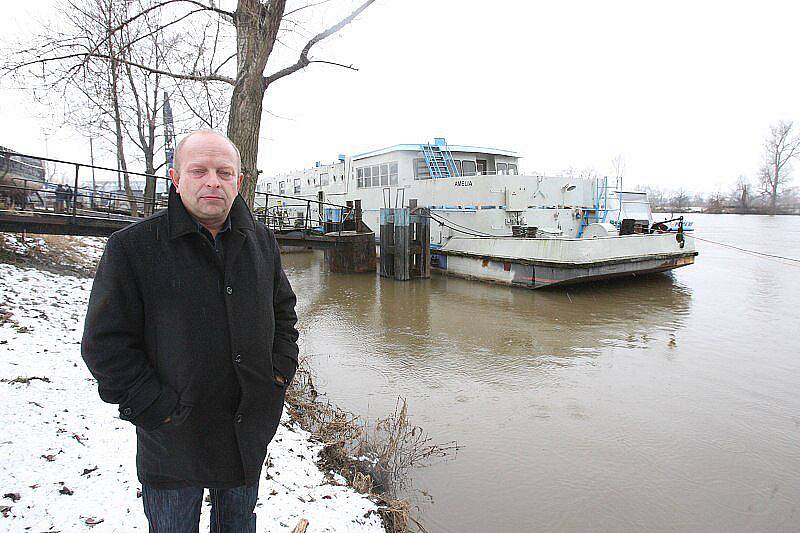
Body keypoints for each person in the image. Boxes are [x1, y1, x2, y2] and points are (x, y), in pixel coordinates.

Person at [81, 129, 299, 532]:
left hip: (244, 432)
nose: (213, 181)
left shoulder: (261, 242)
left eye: (224, 172)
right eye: (199, 171)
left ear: (240, 181)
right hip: (173, 438)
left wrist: (279, 373)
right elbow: (105, 345)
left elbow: (283, 312)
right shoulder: (133, 248)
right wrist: (154, 408)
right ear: (176, 178)